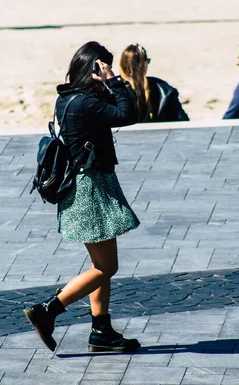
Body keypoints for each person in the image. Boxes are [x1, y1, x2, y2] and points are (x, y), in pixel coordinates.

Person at [23, 41, 141, 353]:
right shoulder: (85, 103)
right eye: (103, 67)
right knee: (105, 268)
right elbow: (129, 114)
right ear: (94, 70)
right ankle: (48, 311)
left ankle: (101, 332)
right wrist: (115, 81)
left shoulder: (69, 99)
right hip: (90, 189)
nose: (107, 73)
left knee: (100, 264)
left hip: (84, 184)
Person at [119, 43, 189, 122]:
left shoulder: (114, 88)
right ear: (144, 64)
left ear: (122, 64)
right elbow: (183, 123)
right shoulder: (163, 89)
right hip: (161, 133)